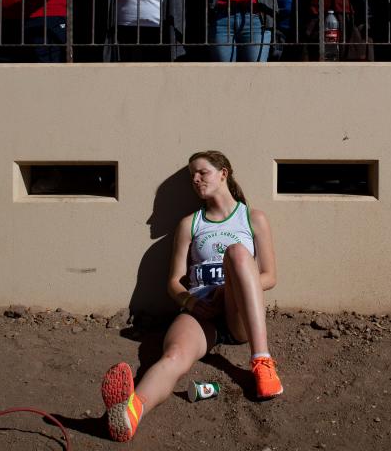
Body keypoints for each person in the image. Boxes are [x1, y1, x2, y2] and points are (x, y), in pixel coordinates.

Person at [100, 150, 283, 443]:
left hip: (238, 313)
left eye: (203, 173)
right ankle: (132, 411)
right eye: (192, 177)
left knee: (237, 252)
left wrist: (230, 288)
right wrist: (192, 302)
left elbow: (270, 277)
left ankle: (262, 363)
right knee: (172, 356)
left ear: (224, 173)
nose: (196, 180)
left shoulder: (253, 218)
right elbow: (174, 281)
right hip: (201, 311)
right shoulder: (191, 223)